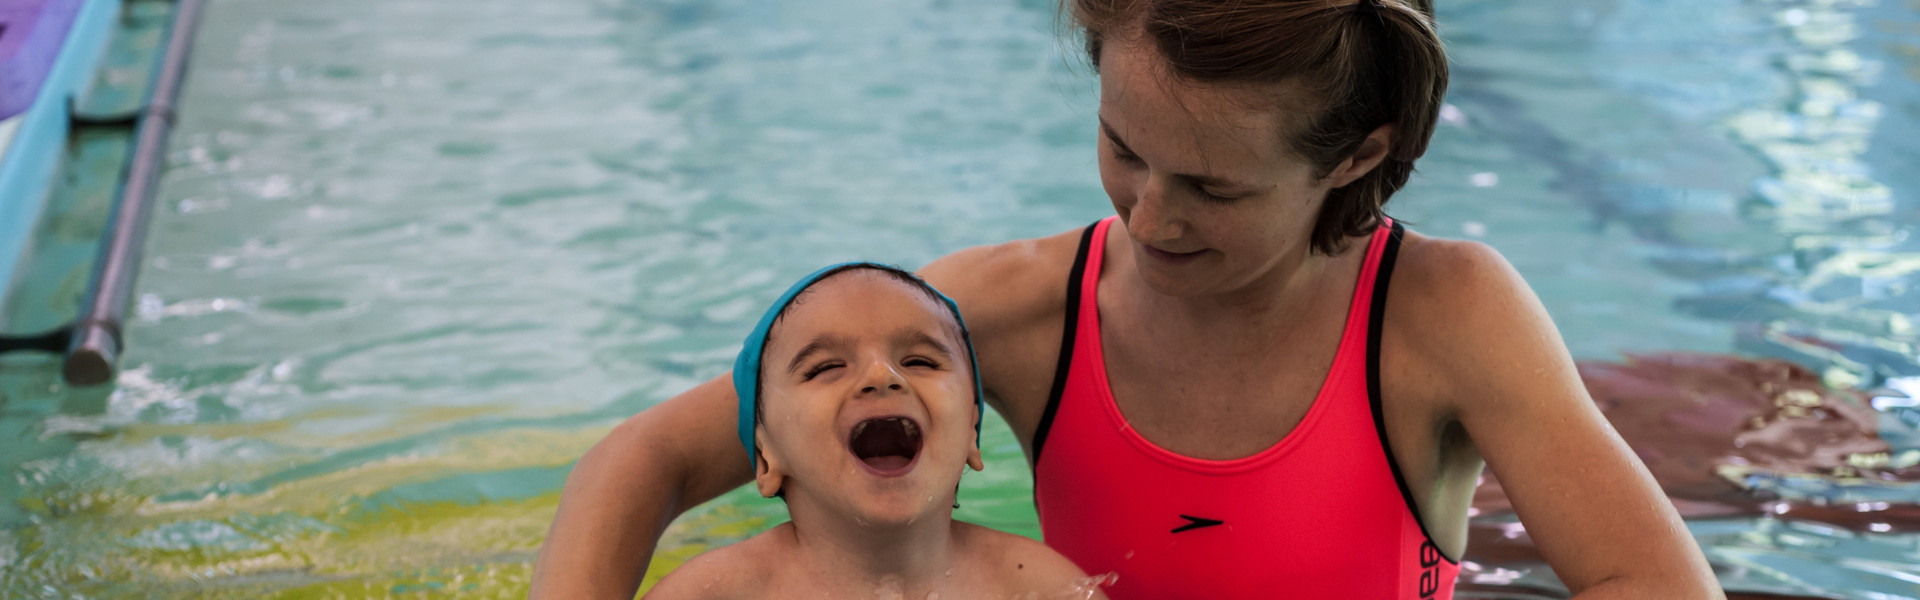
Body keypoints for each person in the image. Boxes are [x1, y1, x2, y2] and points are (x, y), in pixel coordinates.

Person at [533, 0, 1725, 598]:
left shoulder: (1441, 314)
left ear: (1356, 157)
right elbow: (645, 458)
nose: (1150, 219)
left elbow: (1656, 586)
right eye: (1122, 149)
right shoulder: (1011, 310)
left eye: (1212, 187)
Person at [642, 263, 1104, 599]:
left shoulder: (1040, 588)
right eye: (825, 367)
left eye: (920, 361)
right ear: (765, 459)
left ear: (971, 433)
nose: (882, 376)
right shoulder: (715, 594)